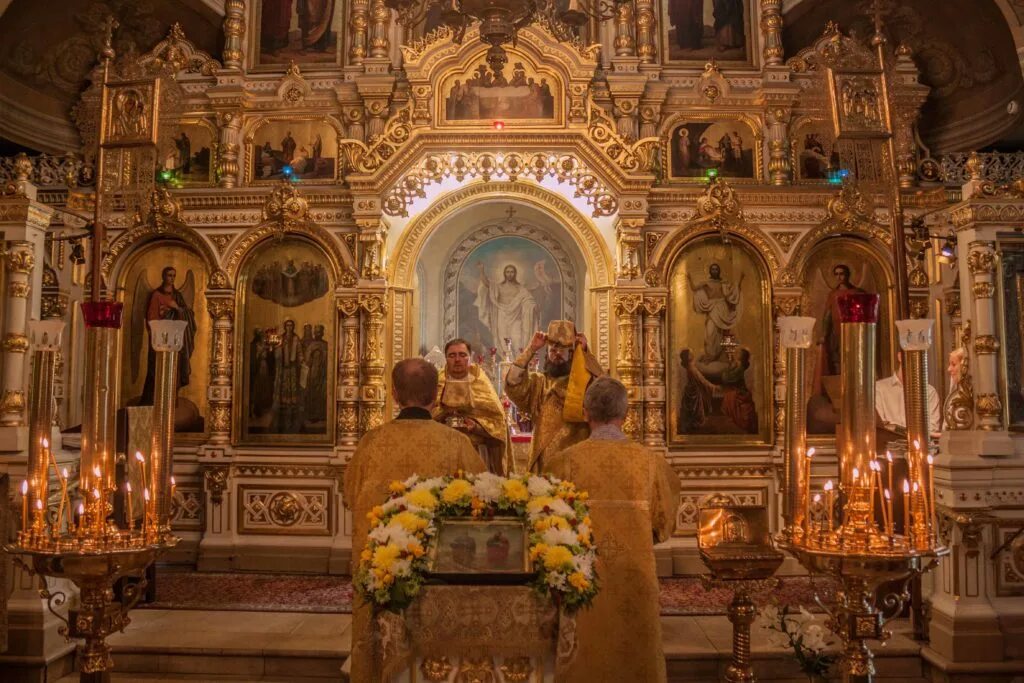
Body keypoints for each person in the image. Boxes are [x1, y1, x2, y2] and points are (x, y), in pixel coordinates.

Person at [343, 358, 484, 683]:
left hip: (379, 567)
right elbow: (480, 504)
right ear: (436, 394)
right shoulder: (456, 443)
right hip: (438, 571)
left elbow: (350, 494)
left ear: (394, 394)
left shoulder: (371, 443)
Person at [545, 377, 679, 683]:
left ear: (585, 412)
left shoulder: (562, 462)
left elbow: (547, 528)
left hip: (582, 582)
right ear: (626, 414)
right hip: (636, 577)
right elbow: (664, 524)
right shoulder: (650, 462)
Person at [504, 320, 604, 472]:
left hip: (577, 458)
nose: (557, 354)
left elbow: (604, 392)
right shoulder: (538, 383)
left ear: (572, 353)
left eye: (562, 350)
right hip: (544, 460)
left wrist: (585, 352)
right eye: (552, 350)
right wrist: (531, 349)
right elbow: (513, 383)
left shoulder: (584, 383)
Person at [433, 338, 511, 474]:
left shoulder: (480, 381)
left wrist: (476, 427)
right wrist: (443, 414)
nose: (457, 359)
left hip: (475, 451)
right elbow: (428, 415)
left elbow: (497, 421)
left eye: (462, 355)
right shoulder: (437, 382)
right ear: (446, 358)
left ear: (470, 357)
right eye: (452, 355)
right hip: (442, 450)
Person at [141, 266, 196, 405]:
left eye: (173, 275)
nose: (171, 278)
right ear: (163, 276)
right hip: (159, 338)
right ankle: (153, 401)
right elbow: (151, 317)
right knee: (156, 369)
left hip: (175, 339)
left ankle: (171, 401)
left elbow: (187, 314)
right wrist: (164, 313)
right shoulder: (156, 295)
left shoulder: (178, 296)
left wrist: (176, 307)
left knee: (175, 369)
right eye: (169, 275)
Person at [475, 263, 538, 356]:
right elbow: (487, 283)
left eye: (512, 272)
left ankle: (518, 362)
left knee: (517, 340)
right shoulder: (499, 286)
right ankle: (506, 363)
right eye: (508, 272)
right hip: (502, 316)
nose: (510, 274)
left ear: (515, 273)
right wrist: (481, 271)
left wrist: (532, 306)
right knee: (503, 340)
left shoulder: (521, 288)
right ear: (504, 273)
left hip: (516, 317)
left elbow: (529, 300)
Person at [686, 263, 743, 363]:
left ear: (719, 271)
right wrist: (689, 278)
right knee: (710, 331)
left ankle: (722, 355)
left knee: (723, 333)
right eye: (713, 269)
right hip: (712, 308)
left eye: (716, 269)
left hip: (722, 308)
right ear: (710, 271)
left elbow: (732, 293)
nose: (715, 271)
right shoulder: (706, 283)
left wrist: (740, 281)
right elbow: (694, 288)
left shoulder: (724, 283)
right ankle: (711, 355)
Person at [876, 351, 942, 436]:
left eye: (919, 355)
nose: (916, 360)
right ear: (900, 356)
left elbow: (932, 429)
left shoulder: (929, 392)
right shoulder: (879, 388)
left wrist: (897, 428)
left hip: (920, 446)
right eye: (912, 354)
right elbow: (881, 426)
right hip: (887, 444)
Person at [820, 264, 867, 376]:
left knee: (852, 354)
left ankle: (853, 377)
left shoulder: (857, 292)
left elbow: (862, 313)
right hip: (836, 330)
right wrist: (824, 333)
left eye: (841, 274)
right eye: (836, 274)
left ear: (847, 275)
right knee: (836, 355)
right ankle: (839, 377)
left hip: (852, 330)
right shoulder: (833, 294)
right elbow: (828, 315)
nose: (839, 277)